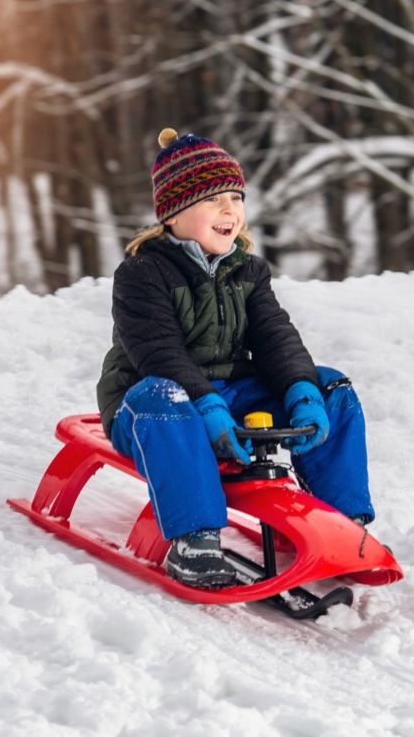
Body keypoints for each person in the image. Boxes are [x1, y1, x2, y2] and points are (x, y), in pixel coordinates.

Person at [97, 127, 375, 589]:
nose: (230, 211)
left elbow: (274, 336)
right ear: (173, 213)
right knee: (163, 394)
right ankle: (194, 539)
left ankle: (345, 527)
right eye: (214, 199)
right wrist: (205, 404)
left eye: (236, 198)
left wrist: (301, 389)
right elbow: (158, 352)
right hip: (150, 407)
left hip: (229, 393)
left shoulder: (247, 269)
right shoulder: (143, 274)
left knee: (332, 388)